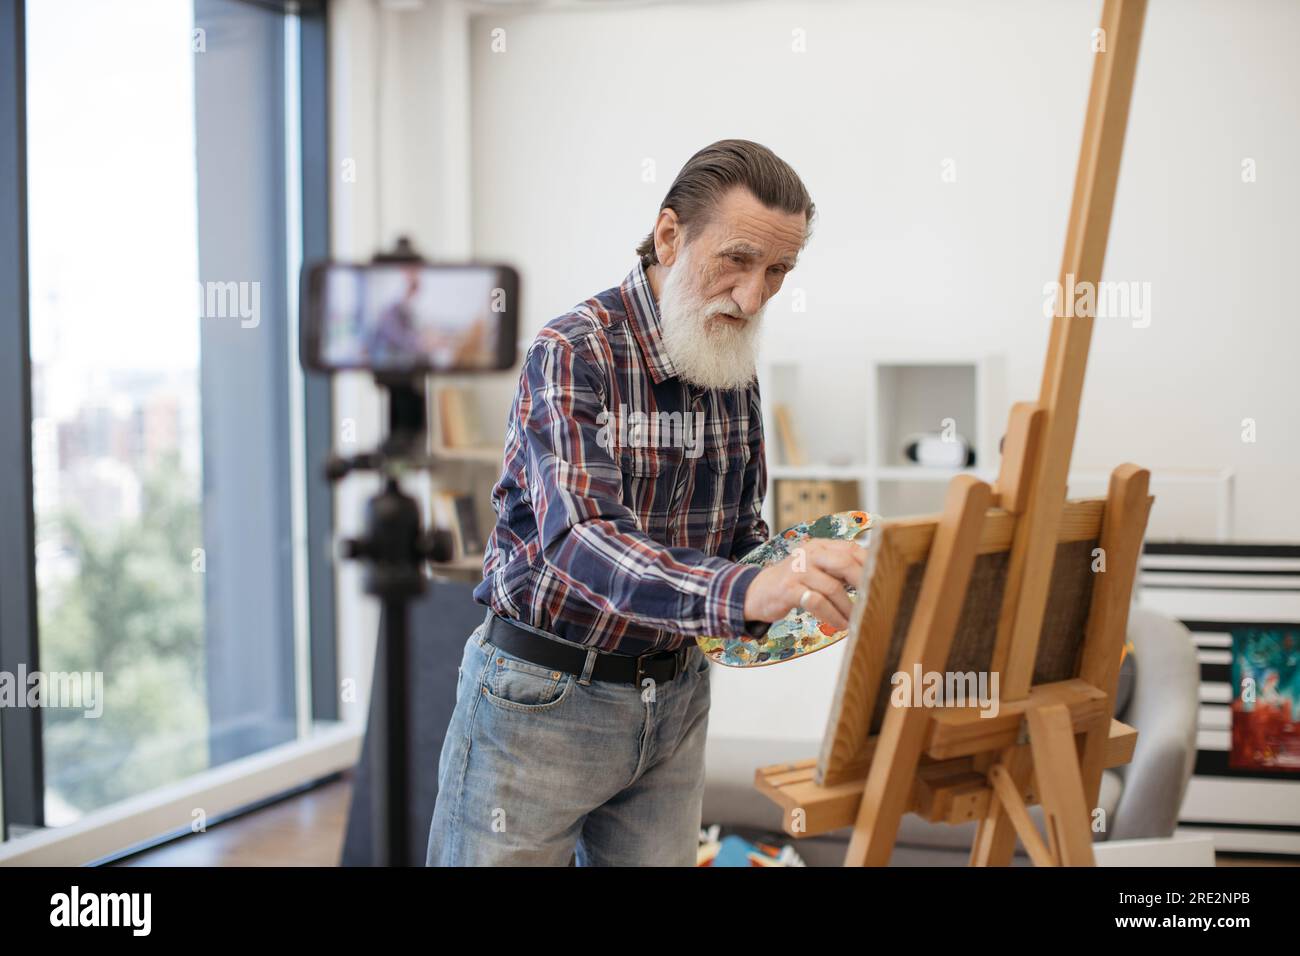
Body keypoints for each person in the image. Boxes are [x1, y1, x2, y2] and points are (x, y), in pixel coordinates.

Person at [426, 139, 865, 866]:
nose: (754, 296)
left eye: (778, 271)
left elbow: (734, 541)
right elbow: (581, 540)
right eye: (738, 259)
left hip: (677, 698)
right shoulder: (573, 352)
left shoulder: (730, 361)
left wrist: (798, 575)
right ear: (669, 234)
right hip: (542, 700)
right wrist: (750, 587)